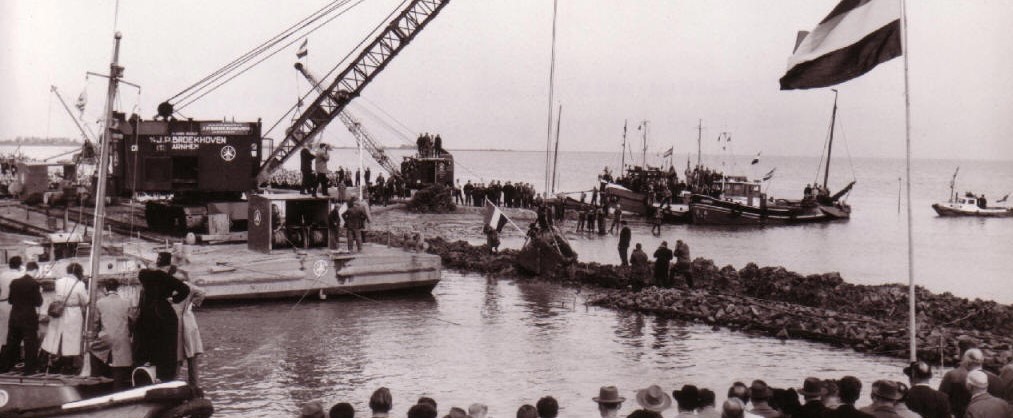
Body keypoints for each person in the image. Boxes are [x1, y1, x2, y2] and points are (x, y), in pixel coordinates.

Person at [135, 252, 190, 381]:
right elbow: (185, 290)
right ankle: (165, 374)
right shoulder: (167, 278)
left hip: (148, 312)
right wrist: (173, 299)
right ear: (168, 266)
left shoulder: (146, 275)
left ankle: (147, 364)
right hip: (163, 311)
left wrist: (151, 268)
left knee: (148, 339)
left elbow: (141, 273)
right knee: (166, 344)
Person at [40, 262, 89, 374]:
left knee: (53, 337)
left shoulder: (58, 282)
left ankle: (45, 364)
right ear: (79, 272)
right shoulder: (80, 284)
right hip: (73, 313)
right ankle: (67, 366)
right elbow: (85, 301)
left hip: (58, 311)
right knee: (71, 340)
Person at [88, 279, 133, 390]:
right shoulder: (126, 302)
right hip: (122, 338)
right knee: (119, 365)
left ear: (105, 289)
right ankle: (118, 388)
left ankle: (96, 381)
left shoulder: (100, 303)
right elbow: (132, 321)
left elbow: (95, 324)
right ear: (117, 288)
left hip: (106, 338)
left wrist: (93, 337)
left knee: (93, 351)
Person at [1, 261, 42, 374]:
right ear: (35, 270)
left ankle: (4, 367)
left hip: (14, 316)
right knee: (30, 344)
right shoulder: (34, 283)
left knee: (12, 343)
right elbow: (38, 302)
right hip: (28, 317)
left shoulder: (14, 282)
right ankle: (29, 369)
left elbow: (10, 300)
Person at [175, 278, 205, 387]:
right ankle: (195, 386)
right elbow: (201, 292)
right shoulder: (188, 287)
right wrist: (193, 304)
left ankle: (173, 383)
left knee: (176, 357)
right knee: (192, 357)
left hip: (176, 323)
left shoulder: (170, 287)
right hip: (188, 322)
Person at [0, 256, 24, 356]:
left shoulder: (2, 275)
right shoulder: (21, 275)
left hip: (2, 303)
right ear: (20, 265)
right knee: (17, 330)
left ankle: (3, 354)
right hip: (15, 305)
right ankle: (17, 354)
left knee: (3, 329)